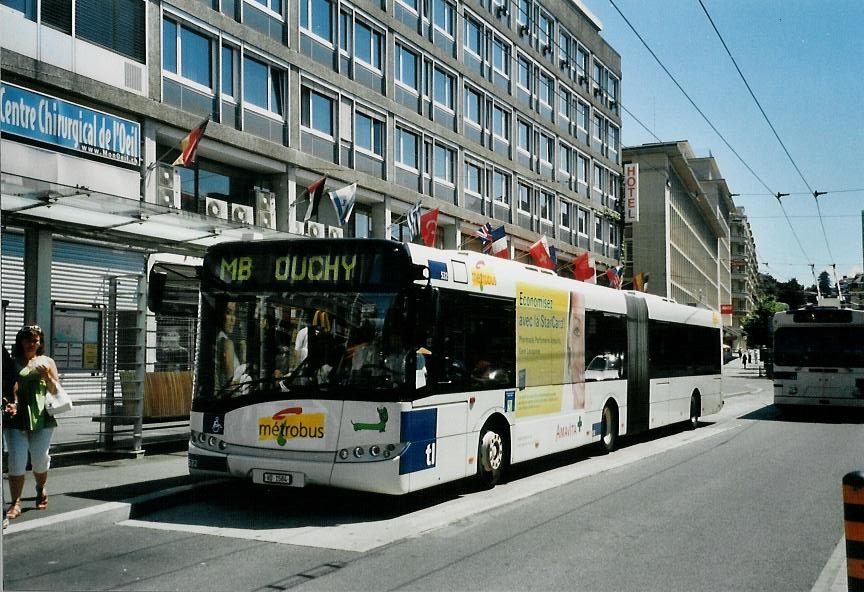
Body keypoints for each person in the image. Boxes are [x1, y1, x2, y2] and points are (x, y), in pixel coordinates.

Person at [5, 325, 62, 522]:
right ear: (21, 341)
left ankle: (40, 488)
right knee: (16, 459)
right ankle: (15, 502)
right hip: (16, 418)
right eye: (29, 339)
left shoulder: (47, 361)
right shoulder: (12, 363)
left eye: (36, 340)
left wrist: (46, 375)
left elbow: (55, 391)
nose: (33, 343)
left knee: (40, 458)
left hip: (42, 417)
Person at [214, 301, 246, 392]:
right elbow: (232, 385)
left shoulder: (218, 340)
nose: (233, 319)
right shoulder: (227, 344)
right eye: (228, 313)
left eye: (234, 313)